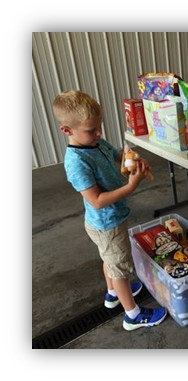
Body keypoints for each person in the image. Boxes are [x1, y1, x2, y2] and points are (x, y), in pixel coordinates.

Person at [52, 90, 167, 331]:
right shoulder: (76, 162)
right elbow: (97, 200)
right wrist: (131, 186)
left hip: (107, 222)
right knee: (120, 268)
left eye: (99, 127)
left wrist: (132, 159)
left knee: (110, 261)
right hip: (106, 222)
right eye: (91, 130)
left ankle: (113, 293)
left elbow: (116, 154)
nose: (98, 133)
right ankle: (132, 315)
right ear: (67, 130)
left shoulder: (94, 142)